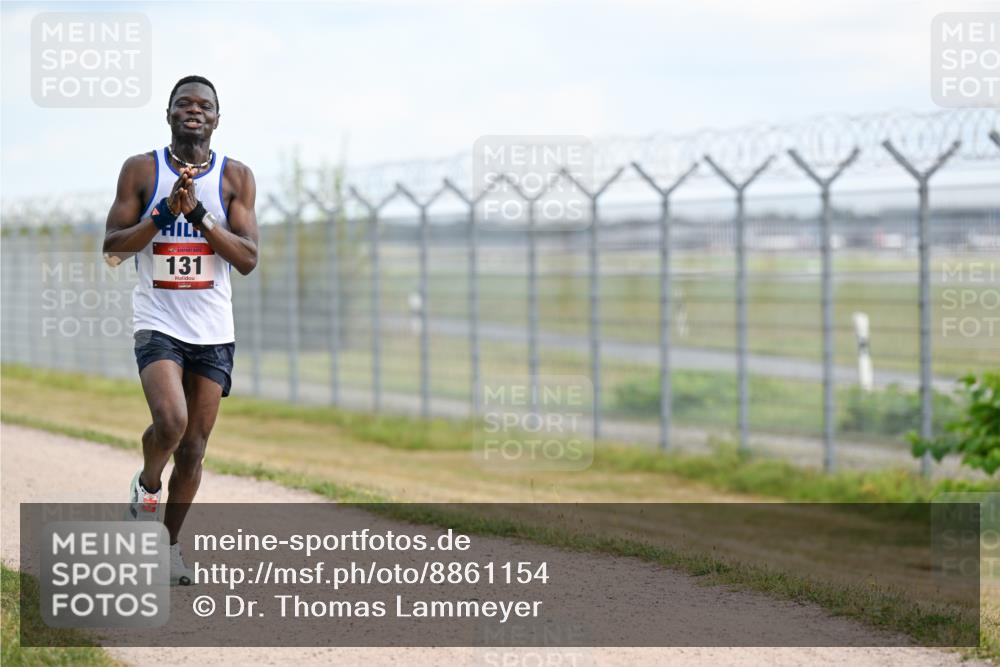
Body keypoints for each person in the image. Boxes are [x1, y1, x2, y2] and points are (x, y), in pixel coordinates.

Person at [102, 75, 258, 585]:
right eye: (184, 103)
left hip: (213, 330)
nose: (195, 110)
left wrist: (201, 217)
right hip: (159, 322)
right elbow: (113, 250)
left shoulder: (236, 177)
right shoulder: (141, 170)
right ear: (168, 113)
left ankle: (167, 547)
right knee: (171, 423)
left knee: (193, 448)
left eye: (205, 105)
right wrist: (166, 212)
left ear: (217, 117)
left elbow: (249, 258)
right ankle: (147, 488)